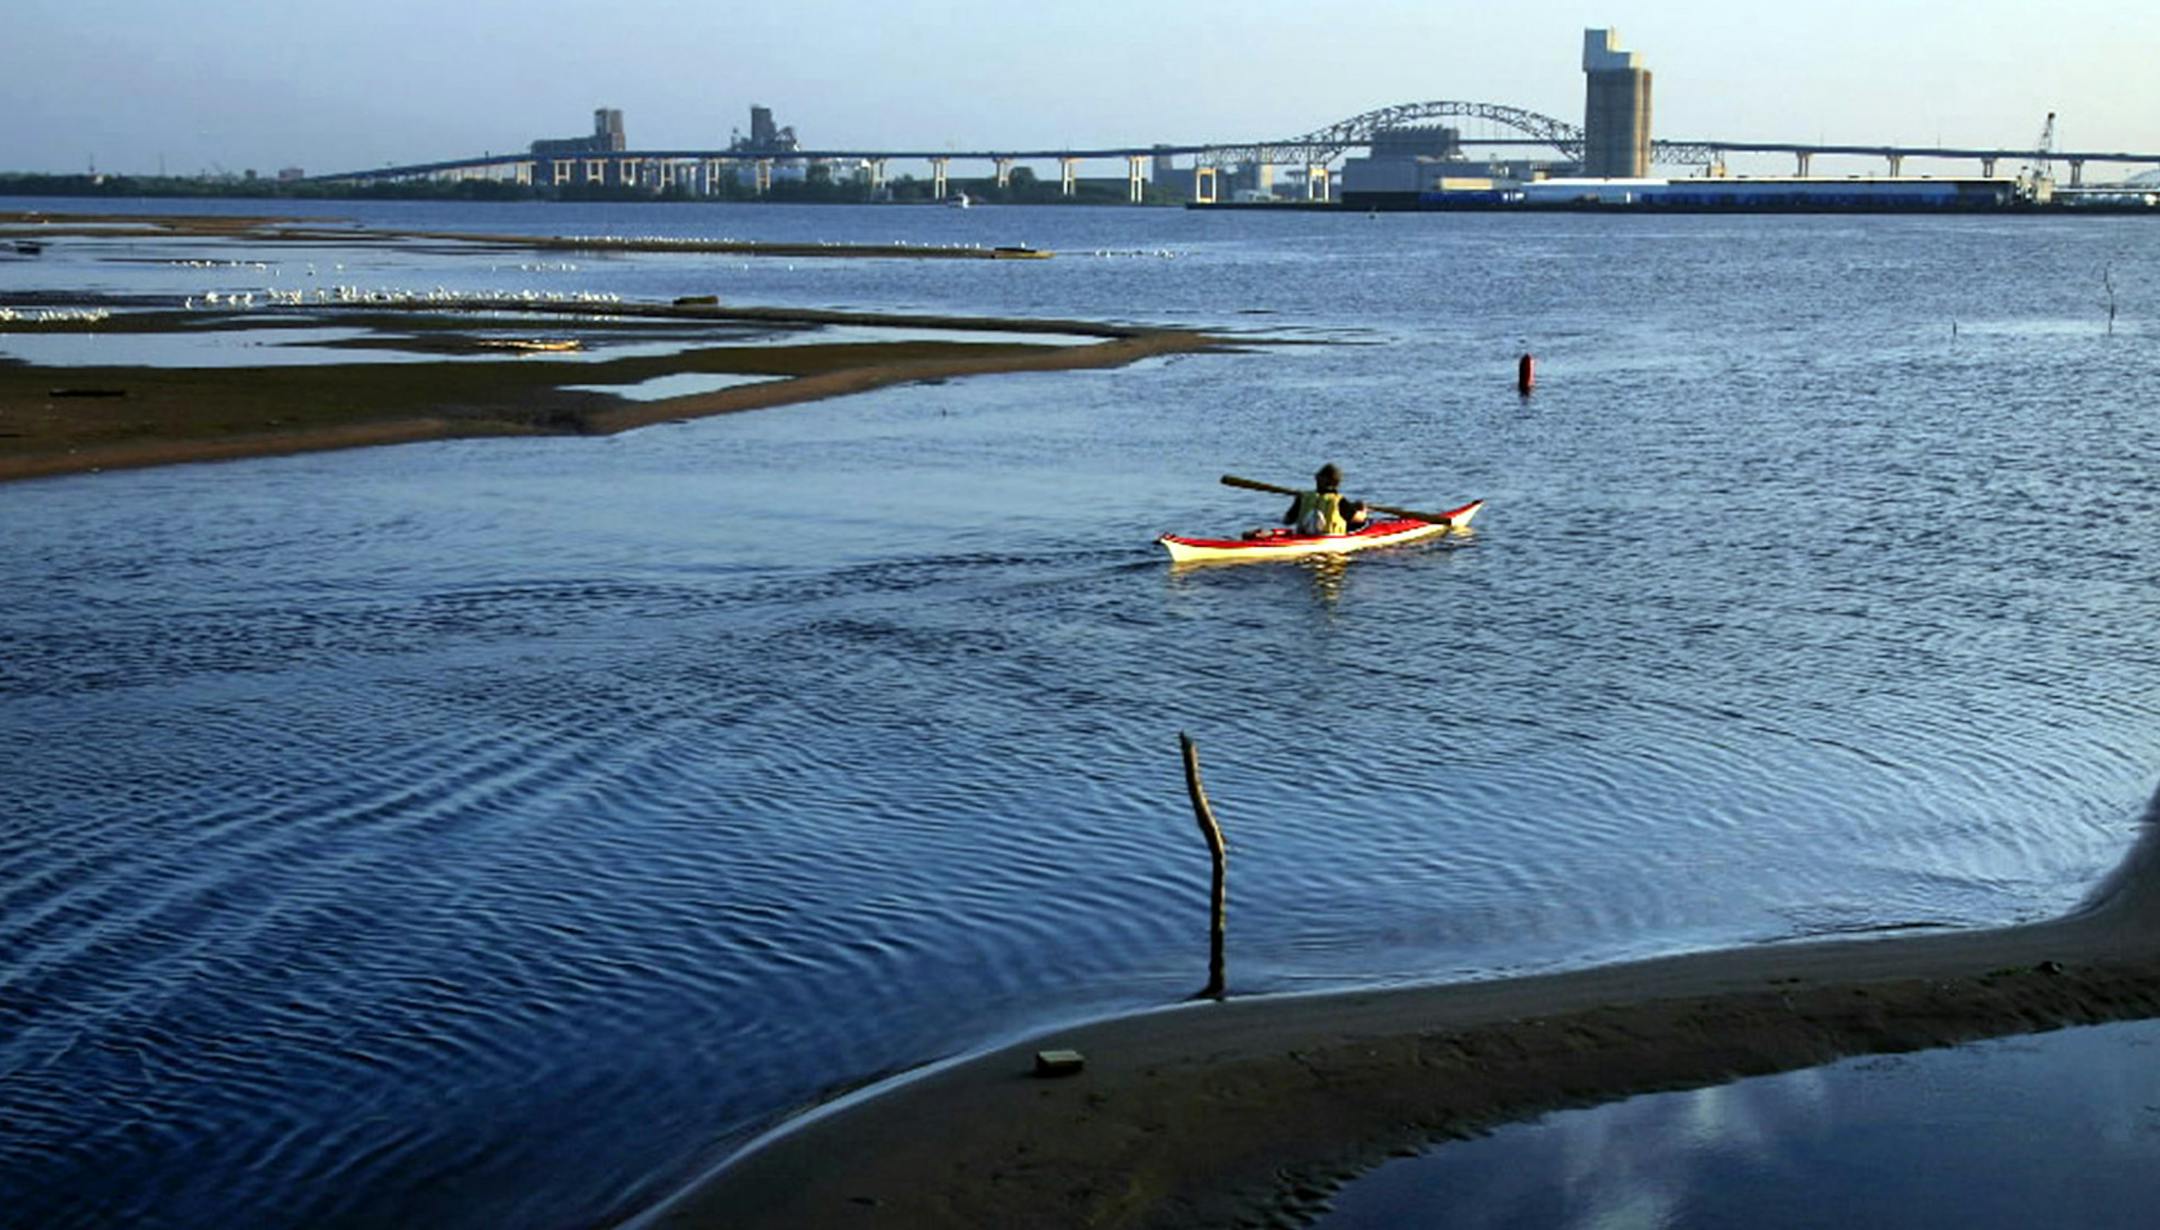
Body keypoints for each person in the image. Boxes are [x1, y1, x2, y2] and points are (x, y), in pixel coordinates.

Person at [1284, 463, 1370, 537]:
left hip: (1302, 536)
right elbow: (1359, 518)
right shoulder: (1339, 501)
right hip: (1328, 540)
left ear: (1317, 479)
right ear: (1337, 483)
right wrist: (1364, 511)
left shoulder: (1303, 497)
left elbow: (1287, 521)